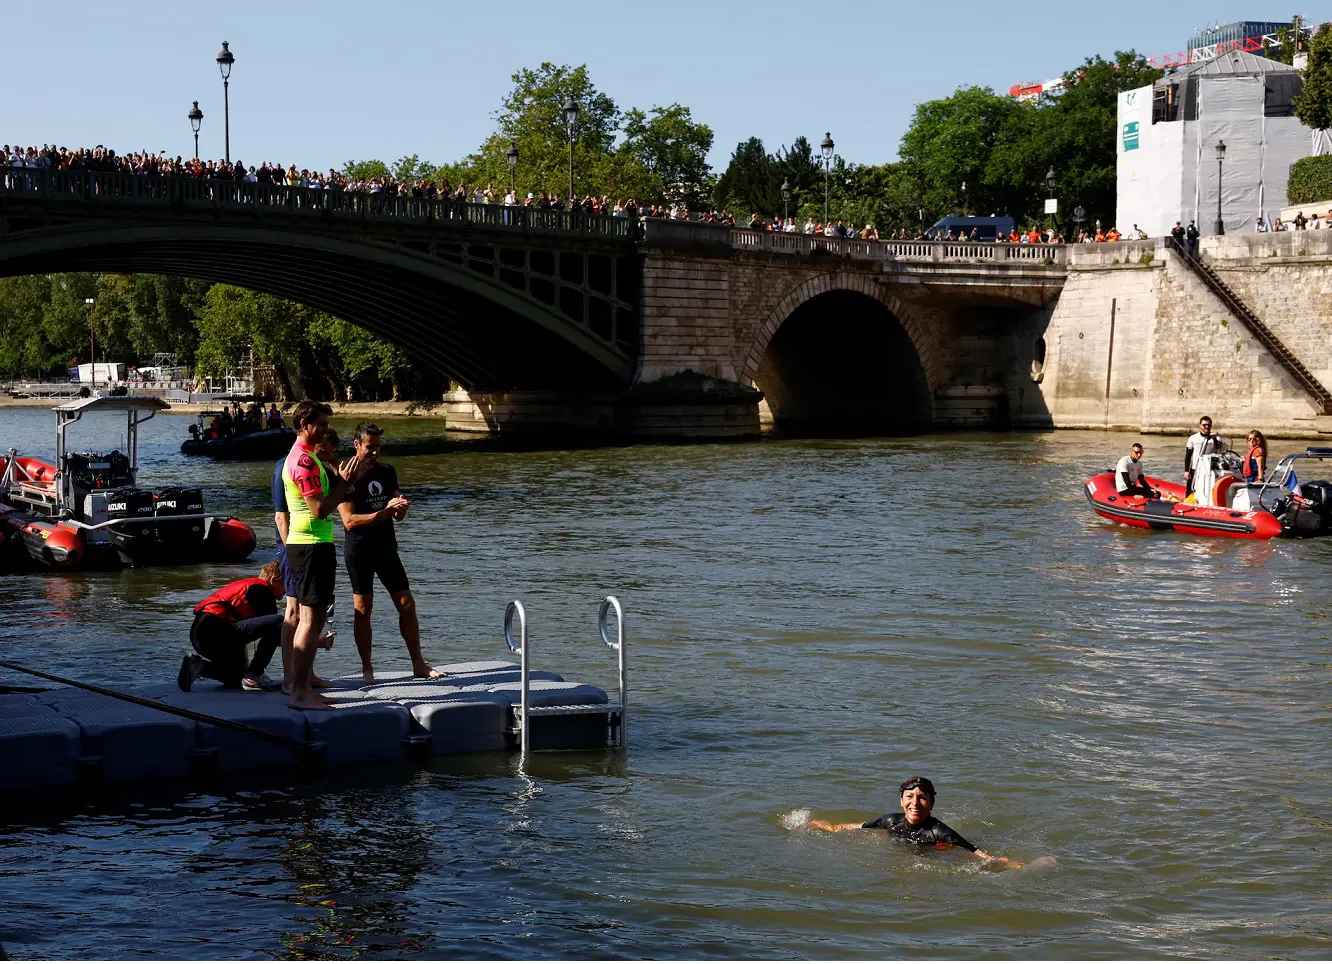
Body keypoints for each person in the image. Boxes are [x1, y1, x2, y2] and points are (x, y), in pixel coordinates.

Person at [282, 400, 368, 711]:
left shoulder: (308, 457)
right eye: (320, 424)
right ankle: (298, 692)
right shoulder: (303, 462)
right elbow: (318, 510)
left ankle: (302, 687)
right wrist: (343, 485)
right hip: (309, 546)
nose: (325, 430)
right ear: (304, 425)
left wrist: (343, 483)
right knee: (310, 620)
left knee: (312, 619)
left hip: (310, 546)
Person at [338, 422, 441, 684]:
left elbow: (398, 508)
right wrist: (384, 512)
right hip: (359, 550)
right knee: (363, 608)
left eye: (378, 448)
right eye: (370, 448)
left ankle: (418, 664)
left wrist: (401, 508)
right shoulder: (344, 476)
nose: (374, 453)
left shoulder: (386, 471)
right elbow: (349, 521)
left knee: (407, 603)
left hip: (385, 547)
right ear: (357, 445)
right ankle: (367, 669)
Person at [801, 776, 1021, 867]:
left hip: (932, 851)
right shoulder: (890, 820)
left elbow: (975, 851)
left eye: (922, 798)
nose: (915, 803)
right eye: (909, 797)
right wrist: (822, 826)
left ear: (932, 804)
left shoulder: (939, 831)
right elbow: (854, 827)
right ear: (901, 801)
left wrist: (1007, 863)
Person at [272, 429, 339, 694]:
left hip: (308, 543)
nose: (326, 458)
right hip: (294, 545)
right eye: (324, 453)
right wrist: (290, 554)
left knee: (310, 613)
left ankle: (306, 674)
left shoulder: (314, 464)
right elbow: (280, 516)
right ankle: (291, 679)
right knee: (293, 612)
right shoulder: (286, 465)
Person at [178, 561, 285, 692]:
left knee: (236, 677)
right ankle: (256, 674)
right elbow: (278, 634)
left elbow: (247, 632)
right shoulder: (263, 590)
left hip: (200, 634)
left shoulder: (250, 585)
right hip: (214, 631)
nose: (289, 589)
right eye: (288, 583)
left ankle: (199, 666)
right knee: (278, 622)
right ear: (274, 580)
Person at [1184, 415, 1225, 497]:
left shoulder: (1217, 437)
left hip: (1209, 468)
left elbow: (1219, 449)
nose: (1206, 427)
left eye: (1208, 425)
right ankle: (1188, 501)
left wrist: (1214, 439)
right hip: (1195, 467)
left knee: (1206, 487)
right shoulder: (1193, 438)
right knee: (1191, 487)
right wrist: (1186, 471)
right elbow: (1188, 455)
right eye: (1204, 425)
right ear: (1200, 425)